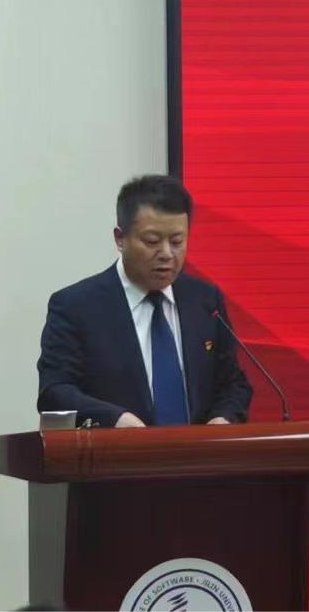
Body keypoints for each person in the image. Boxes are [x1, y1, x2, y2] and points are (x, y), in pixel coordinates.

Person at [37, 175, 252, 427]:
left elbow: (233, 383)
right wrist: (115, 419)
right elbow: (55, 391)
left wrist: (223, 417)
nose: (166, 253)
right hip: (117, 449)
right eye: (152, 241)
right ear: (120, 239)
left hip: (199, 451)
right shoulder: (76, 306)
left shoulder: (204, 301)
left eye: (177, 241)